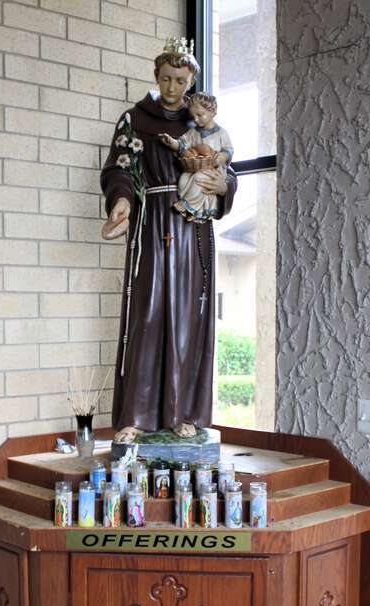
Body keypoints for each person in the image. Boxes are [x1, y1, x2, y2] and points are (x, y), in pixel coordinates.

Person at [101, 37, 237, 445]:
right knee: (148, 313)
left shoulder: (203, 126)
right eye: (166, 79)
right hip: (151, 223)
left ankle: (186, 413)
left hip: (193, 228)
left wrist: (222, 183)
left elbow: (229, 170)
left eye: (181, 80)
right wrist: (122, 201)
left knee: (188, 321)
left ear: (191, 79)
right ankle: (136, 415)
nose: (173, 88)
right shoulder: (135, 119)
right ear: (156, 77)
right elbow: (119, 168)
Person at [159, 92, 234, 223]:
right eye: (193, 116)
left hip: (213, 170)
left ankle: (188, 205)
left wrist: (222, 156)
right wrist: (172, 143)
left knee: (199, 180)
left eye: (200, 115)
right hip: (195, 167)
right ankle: (196, 210)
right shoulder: (193, 132)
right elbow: (183, 144)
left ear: (213, 112)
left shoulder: (221, 133)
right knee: (183, 180)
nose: (196, 120)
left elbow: (228, 150)